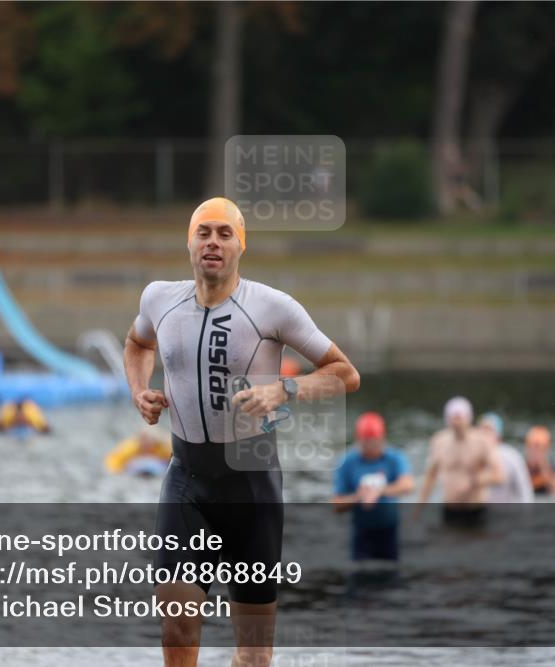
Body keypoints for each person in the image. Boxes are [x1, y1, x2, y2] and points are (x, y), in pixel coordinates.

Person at [123, 197, 360, 667]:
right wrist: (139, 390)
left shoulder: (272, 307)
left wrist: (284, 390)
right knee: (176, 627)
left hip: (251, 485)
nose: (213, 242)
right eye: (204, 232)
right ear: (189, 242)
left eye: (225, 234)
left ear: (240, 246)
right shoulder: (158, 298)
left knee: (253, 656)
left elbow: (345, 373)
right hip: (186, 479)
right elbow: (136, 343)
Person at [332, 412, 415, 560]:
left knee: (390, 573)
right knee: (360, 574)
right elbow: (336, 504)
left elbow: (408, 485)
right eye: (366, 444)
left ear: (382, 438)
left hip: (389, 529)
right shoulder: (347, 461)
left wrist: (379, 491)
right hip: (361, 530)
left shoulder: (394, 458)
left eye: (375, 443)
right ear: (358, 440)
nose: (371, 448)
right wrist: (358, 497)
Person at [415, 397, 503, 527]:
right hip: (450, 509)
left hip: (475, 510)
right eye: (453, 418)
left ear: (468, 418)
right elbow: (431, 477)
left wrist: (475, 481)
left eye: (460, 418)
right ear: (447, 419)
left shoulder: (481, 442)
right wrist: (419, 508)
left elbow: (499, 475)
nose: (457, 423)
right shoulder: (439, 441)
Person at [478, 412, 533, 504]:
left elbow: (525, 493)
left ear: (498, 435)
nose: (484, 434)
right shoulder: (471, 457)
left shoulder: (512, 458)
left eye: (489, 430)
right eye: (482, 429)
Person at [104, 425, 173, 477]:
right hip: (133, 468)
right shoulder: (130, 447)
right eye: (144, 439)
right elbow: (113, 461)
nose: (147, 443)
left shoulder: (162, 448)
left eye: (150, 440)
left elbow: (172, 458)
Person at [524, 426, 555, 496]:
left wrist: (543, 466)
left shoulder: (551, 467)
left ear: (546, 449)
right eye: (532, 447)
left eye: (539, 448)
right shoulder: (522, 465)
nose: (535, 452)